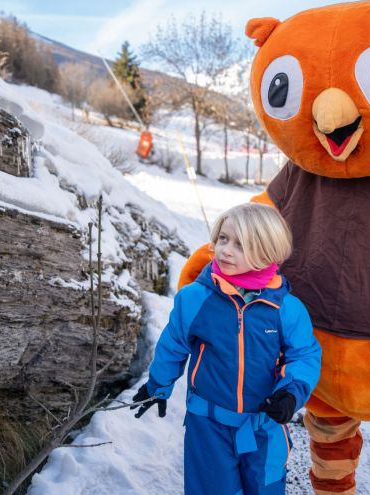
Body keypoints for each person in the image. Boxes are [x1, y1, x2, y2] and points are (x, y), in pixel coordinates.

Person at [132, 203, 321, 495]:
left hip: (264, 427)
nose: (226, 250)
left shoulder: (286, 309)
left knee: (266, 489)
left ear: (267, 252)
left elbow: (304, 355)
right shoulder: (195, 298)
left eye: (241, 244)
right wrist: (158, 385)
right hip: (209, 426)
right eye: (223, 238)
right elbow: (173, 345)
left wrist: (291, 392)